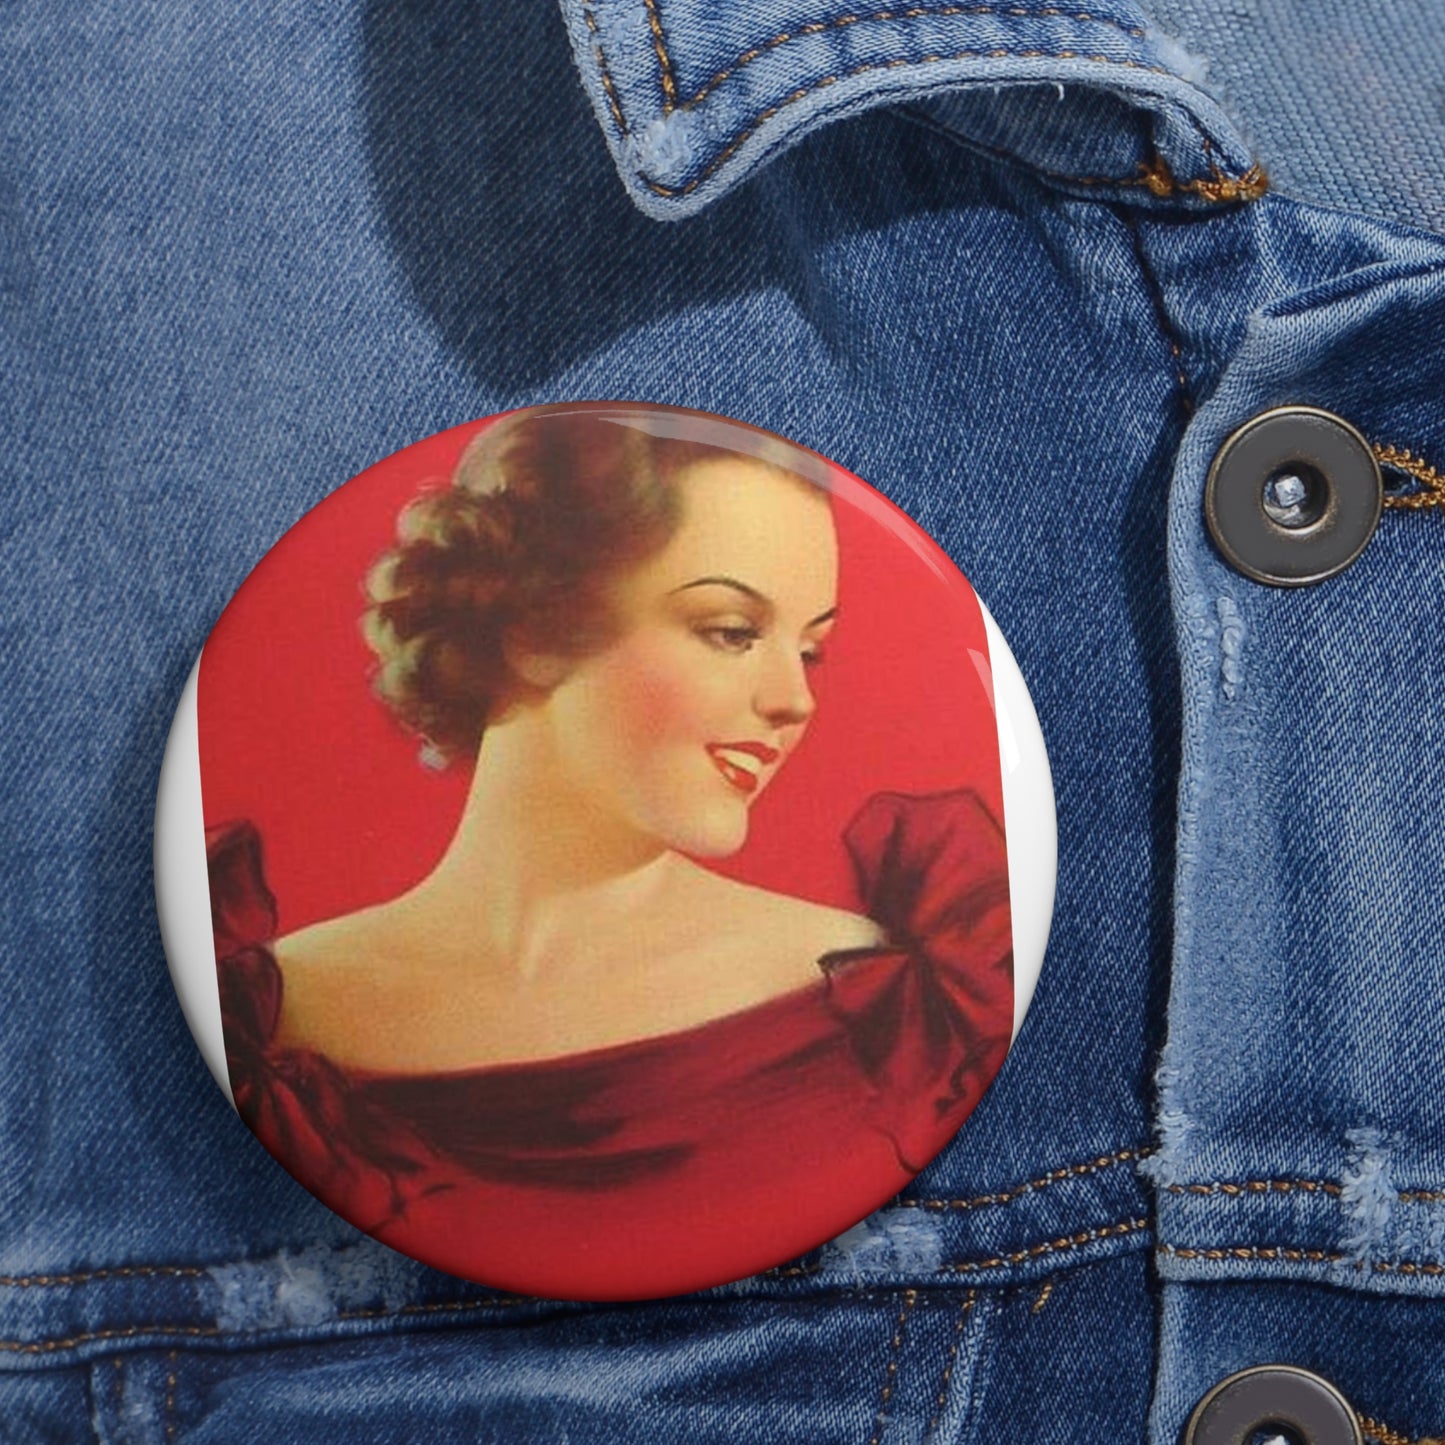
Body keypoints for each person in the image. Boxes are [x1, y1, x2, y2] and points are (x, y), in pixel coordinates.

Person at [206, 403, 1015, 1300]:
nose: (795, 700)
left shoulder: (894, 1003)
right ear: (535, 628)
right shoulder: (273, 1020)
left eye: (811, 648)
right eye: (731, 631)